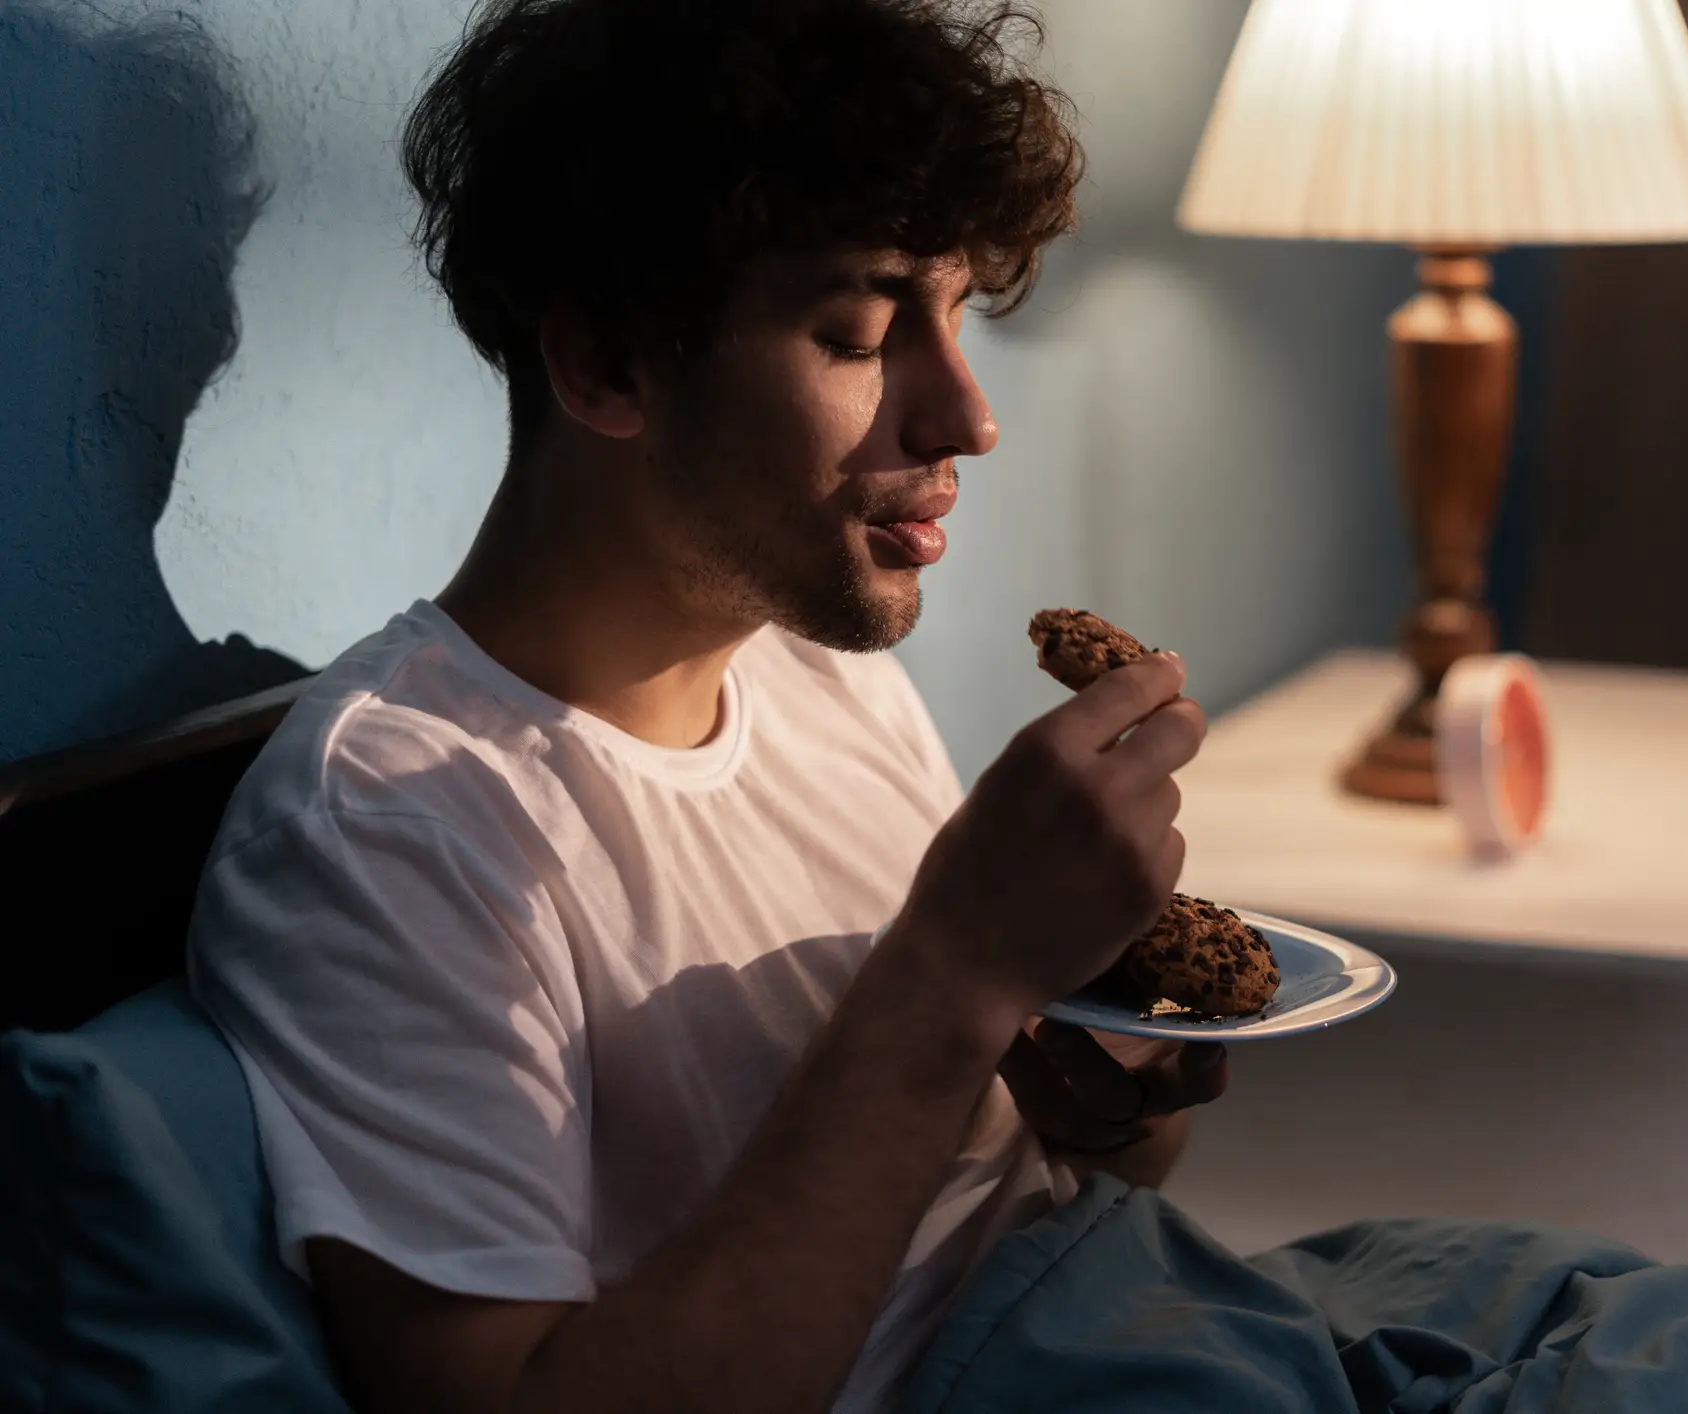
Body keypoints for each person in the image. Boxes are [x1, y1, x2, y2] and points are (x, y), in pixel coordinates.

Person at [186, 3, 1225, 1412]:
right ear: (612, 364)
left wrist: (1114, 1077)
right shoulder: (393, 826)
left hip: (1170, 1319)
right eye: (861, 331)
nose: (968, 418)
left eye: (959, 311)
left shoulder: (825, 677)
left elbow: (1053, 1170)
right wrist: (957, 971)